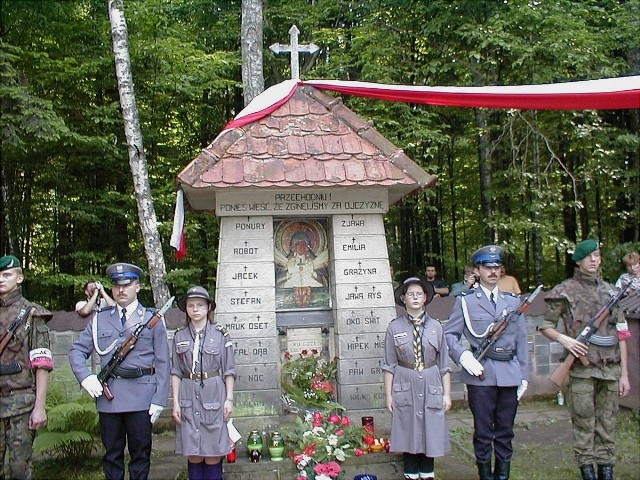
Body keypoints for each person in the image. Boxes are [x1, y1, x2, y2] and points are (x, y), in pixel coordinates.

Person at [69, 262, 170, 480]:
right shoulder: (100, 319)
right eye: (116, 285)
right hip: (110, 396)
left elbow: (163, 362)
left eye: (127, 284)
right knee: (111, 456)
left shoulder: (152, 319)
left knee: (140, 455)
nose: (121, 289)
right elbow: (77, 351)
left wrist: (160, 398)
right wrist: (86, 377)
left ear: (138, 287)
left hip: (142, 397)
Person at [539, 240, 630, 480]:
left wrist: (625, 374)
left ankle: (606, 468)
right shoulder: (564, 290)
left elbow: (622, 334)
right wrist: (565, 341)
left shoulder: (611, 291)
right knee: (583, 422)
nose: (594, 260)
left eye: (597, 255)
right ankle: (587, 469)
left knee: (607, 423)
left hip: (610, 369)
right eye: (589, 256)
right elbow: (545, 326)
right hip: (581, 370)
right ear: (578, 260)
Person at [444, 245, 529, 480]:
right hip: (481, 372)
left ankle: (502, 475)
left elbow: (522, 340)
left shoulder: (512, 302)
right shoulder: (466, 301)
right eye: (487, 267)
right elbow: (449, 335)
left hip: (510, 372)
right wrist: (463, 356)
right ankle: (485, 475)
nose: (493, 271)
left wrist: (524, 375)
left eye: (496, 267)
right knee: (483, 431)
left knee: (505, 430)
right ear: (477, 270)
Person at [383, 276, 451, 480]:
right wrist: (389, 395)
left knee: (430, 428)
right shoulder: (394, 327)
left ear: (425, 298)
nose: (414, 297)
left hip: (431, 382)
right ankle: (411, 473)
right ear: (403, 298)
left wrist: (447, 394)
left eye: (418, 294)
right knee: (407, 428)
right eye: (410, 294)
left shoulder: (437, 327)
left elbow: (444, 364)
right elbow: (388, 365)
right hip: (405, 383)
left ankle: (427, 472)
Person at [171, 286, 236, 480]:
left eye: (200, 305)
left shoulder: (221, 334)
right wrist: (175, 402)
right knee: (193, 452)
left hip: (214, 394)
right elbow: (175, 371)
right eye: (191, 305)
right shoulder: (179, 335)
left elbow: (229, 370)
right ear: (186, 309)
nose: (195, 309)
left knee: (213, 453)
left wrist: (229, 399)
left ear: (208, 308)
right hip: (188, 395)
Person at [0, 255, 53, 480]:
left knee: (19, 470)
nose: (1, 280)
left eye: (6, 275)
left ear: (19, 278)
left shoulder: (32, 315)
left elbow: (42, 365)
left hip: (20, 404)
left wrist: (40, 406)